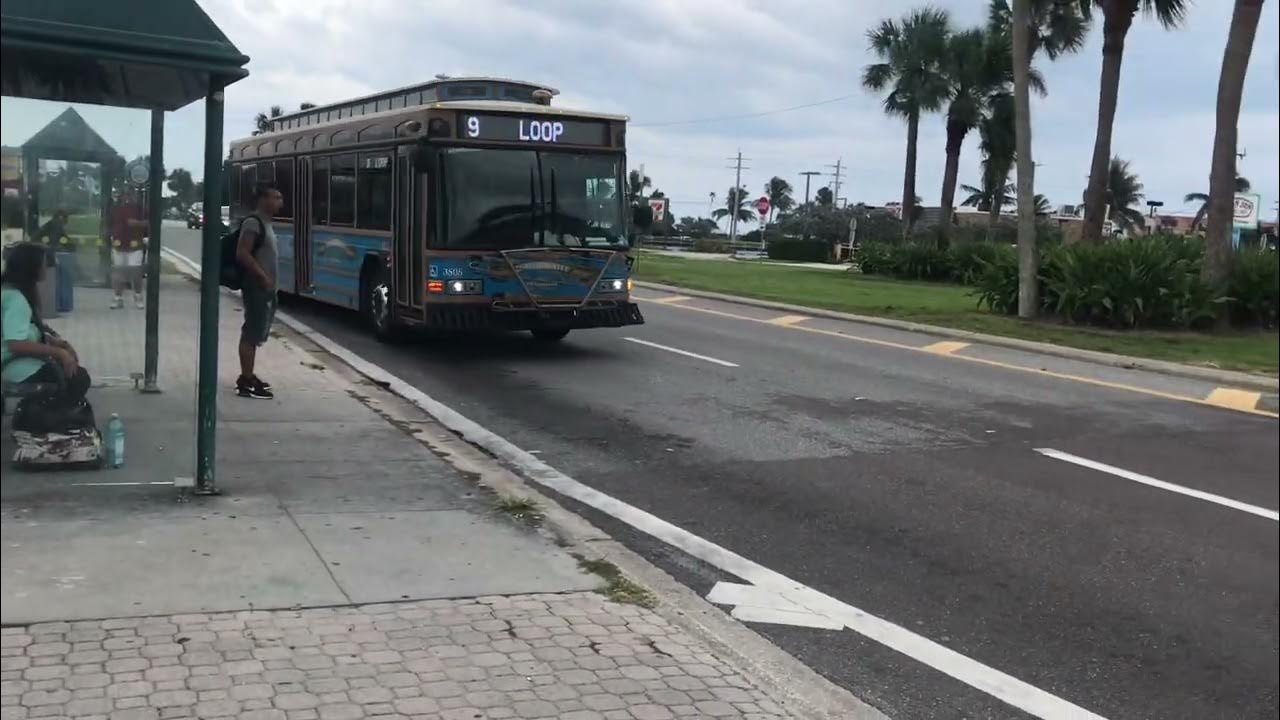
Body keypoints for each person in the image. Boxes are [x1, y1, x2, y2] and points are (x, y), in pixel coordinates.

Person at [2, 243, 91, 407]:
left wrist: (55, 342)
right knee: (78, 378)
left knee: (71, 372)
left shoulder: (8, 291)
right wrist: (59, 353)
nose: (46, 267)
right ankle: (47, 420)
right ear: (31, 267)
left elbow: (24, 330)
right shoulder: (15, 300)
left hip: (15, 361)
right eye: (43, 263)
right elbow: (16, 344)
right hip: (11, 365)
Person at [234, 183, 283, 400]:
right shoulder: (253, 223)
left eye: (280, 197)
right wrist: (262, 277)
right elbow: (243, 253)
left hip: (265, 286)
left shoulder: (267, 223)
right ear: (262, 200)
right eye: (275, 197)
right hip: (256, 285)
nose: (279, 201)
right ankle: (245, 381)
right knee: (252, 331)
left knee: (257, 331)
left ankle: (249, 375)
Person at [109, 191, 148, 309]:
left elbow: (149, 223)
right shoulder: (116, 209)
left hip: (135, 245)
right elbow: (109, 225)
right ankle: (118, 298)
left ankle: (138, 296)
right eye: (126, 195)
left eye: (131, 195)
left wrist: (137, 223)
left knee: (135, 272)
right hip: (118, 244)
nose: (128, 198)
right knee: (118, 273)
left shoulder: (141, 210)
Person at [34, 209, 76, 312]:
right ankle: (59, 304)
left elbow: (63, 239)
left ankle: (58, 304)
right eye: (66, 218)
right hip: (45, 254)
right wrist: (70, 247)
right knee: (58, 277)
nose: (67, 221)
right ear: (62, 217)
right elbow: (55, 241)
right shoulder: (56, 225)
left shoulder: (52, 224)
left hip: (40, 251)